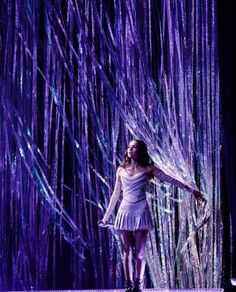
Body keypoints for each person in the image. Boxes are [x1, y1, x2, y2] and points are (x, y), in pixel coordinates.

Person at [99, 139, 205, 292]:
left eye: (134, 147)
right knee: (127, 250)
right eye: (129, 147)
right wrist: (106, 217)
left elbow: (170, 179)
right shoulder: (121, 170)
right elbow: (115, 195)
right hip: (124, 211)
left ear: (140, 150)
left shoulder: (148, 169)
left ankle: (138, 285)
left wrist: (191, 190)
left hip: (141, 211)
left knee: (140, 252)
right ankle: (128, 285)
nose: (130, 150)